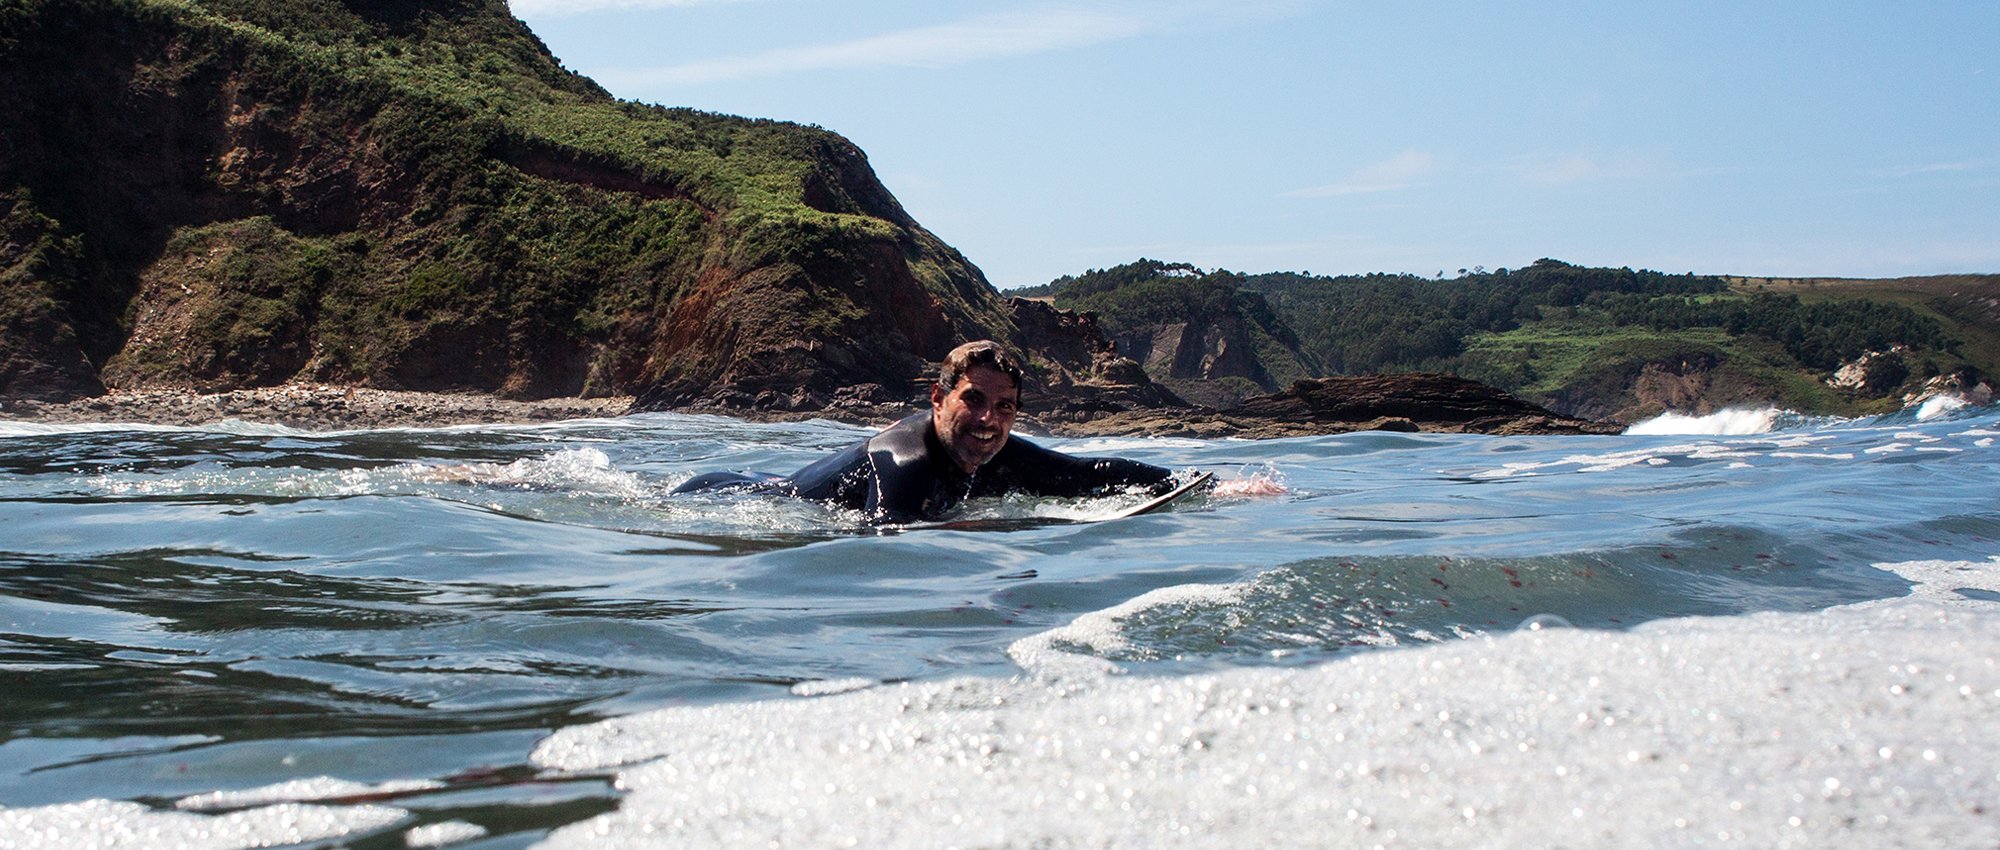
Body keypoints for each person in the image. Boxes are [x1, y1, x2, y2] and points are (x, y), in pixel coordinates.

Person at [674, 340, 1184, 524]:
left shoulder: (993, 449)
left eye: (1004, 407)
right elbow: (886, 529)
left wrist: (1196, 483)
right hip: (726, 494)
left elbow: (1085, 472)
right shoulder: (904, 459)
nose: (989, 421)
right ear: (938, 400)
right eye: (974, 401)